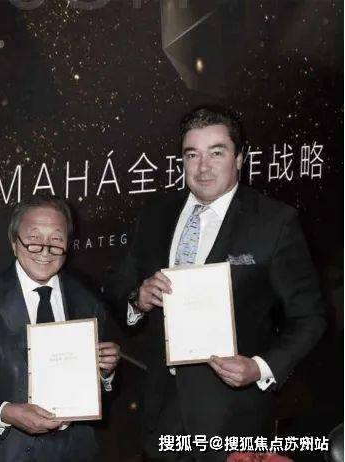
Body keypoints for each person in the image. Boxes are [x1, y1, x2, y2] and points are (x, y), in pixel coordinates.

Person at [104, 106, 326, 461]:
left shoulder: (274, 222)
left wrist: (260, 367)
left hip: (233, 417)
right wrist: (138, 300)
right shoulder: (155, 213)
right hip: (159, 412)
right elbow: (119, 288)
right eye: (192, 155)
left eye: (216, 153)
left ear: (239, 159)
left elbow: (310, 317)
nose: (203, 167)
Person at [0, 196, 121, 462]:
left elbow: (100, 398)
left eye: (56, 239)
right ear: (14, 242)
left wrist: (106, 373)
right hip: (5, 452)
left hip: (74, 452)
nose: (45, 250)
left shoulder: (89, 301)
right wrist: (5, 413)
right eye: (34, 238)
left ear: (68, 245)